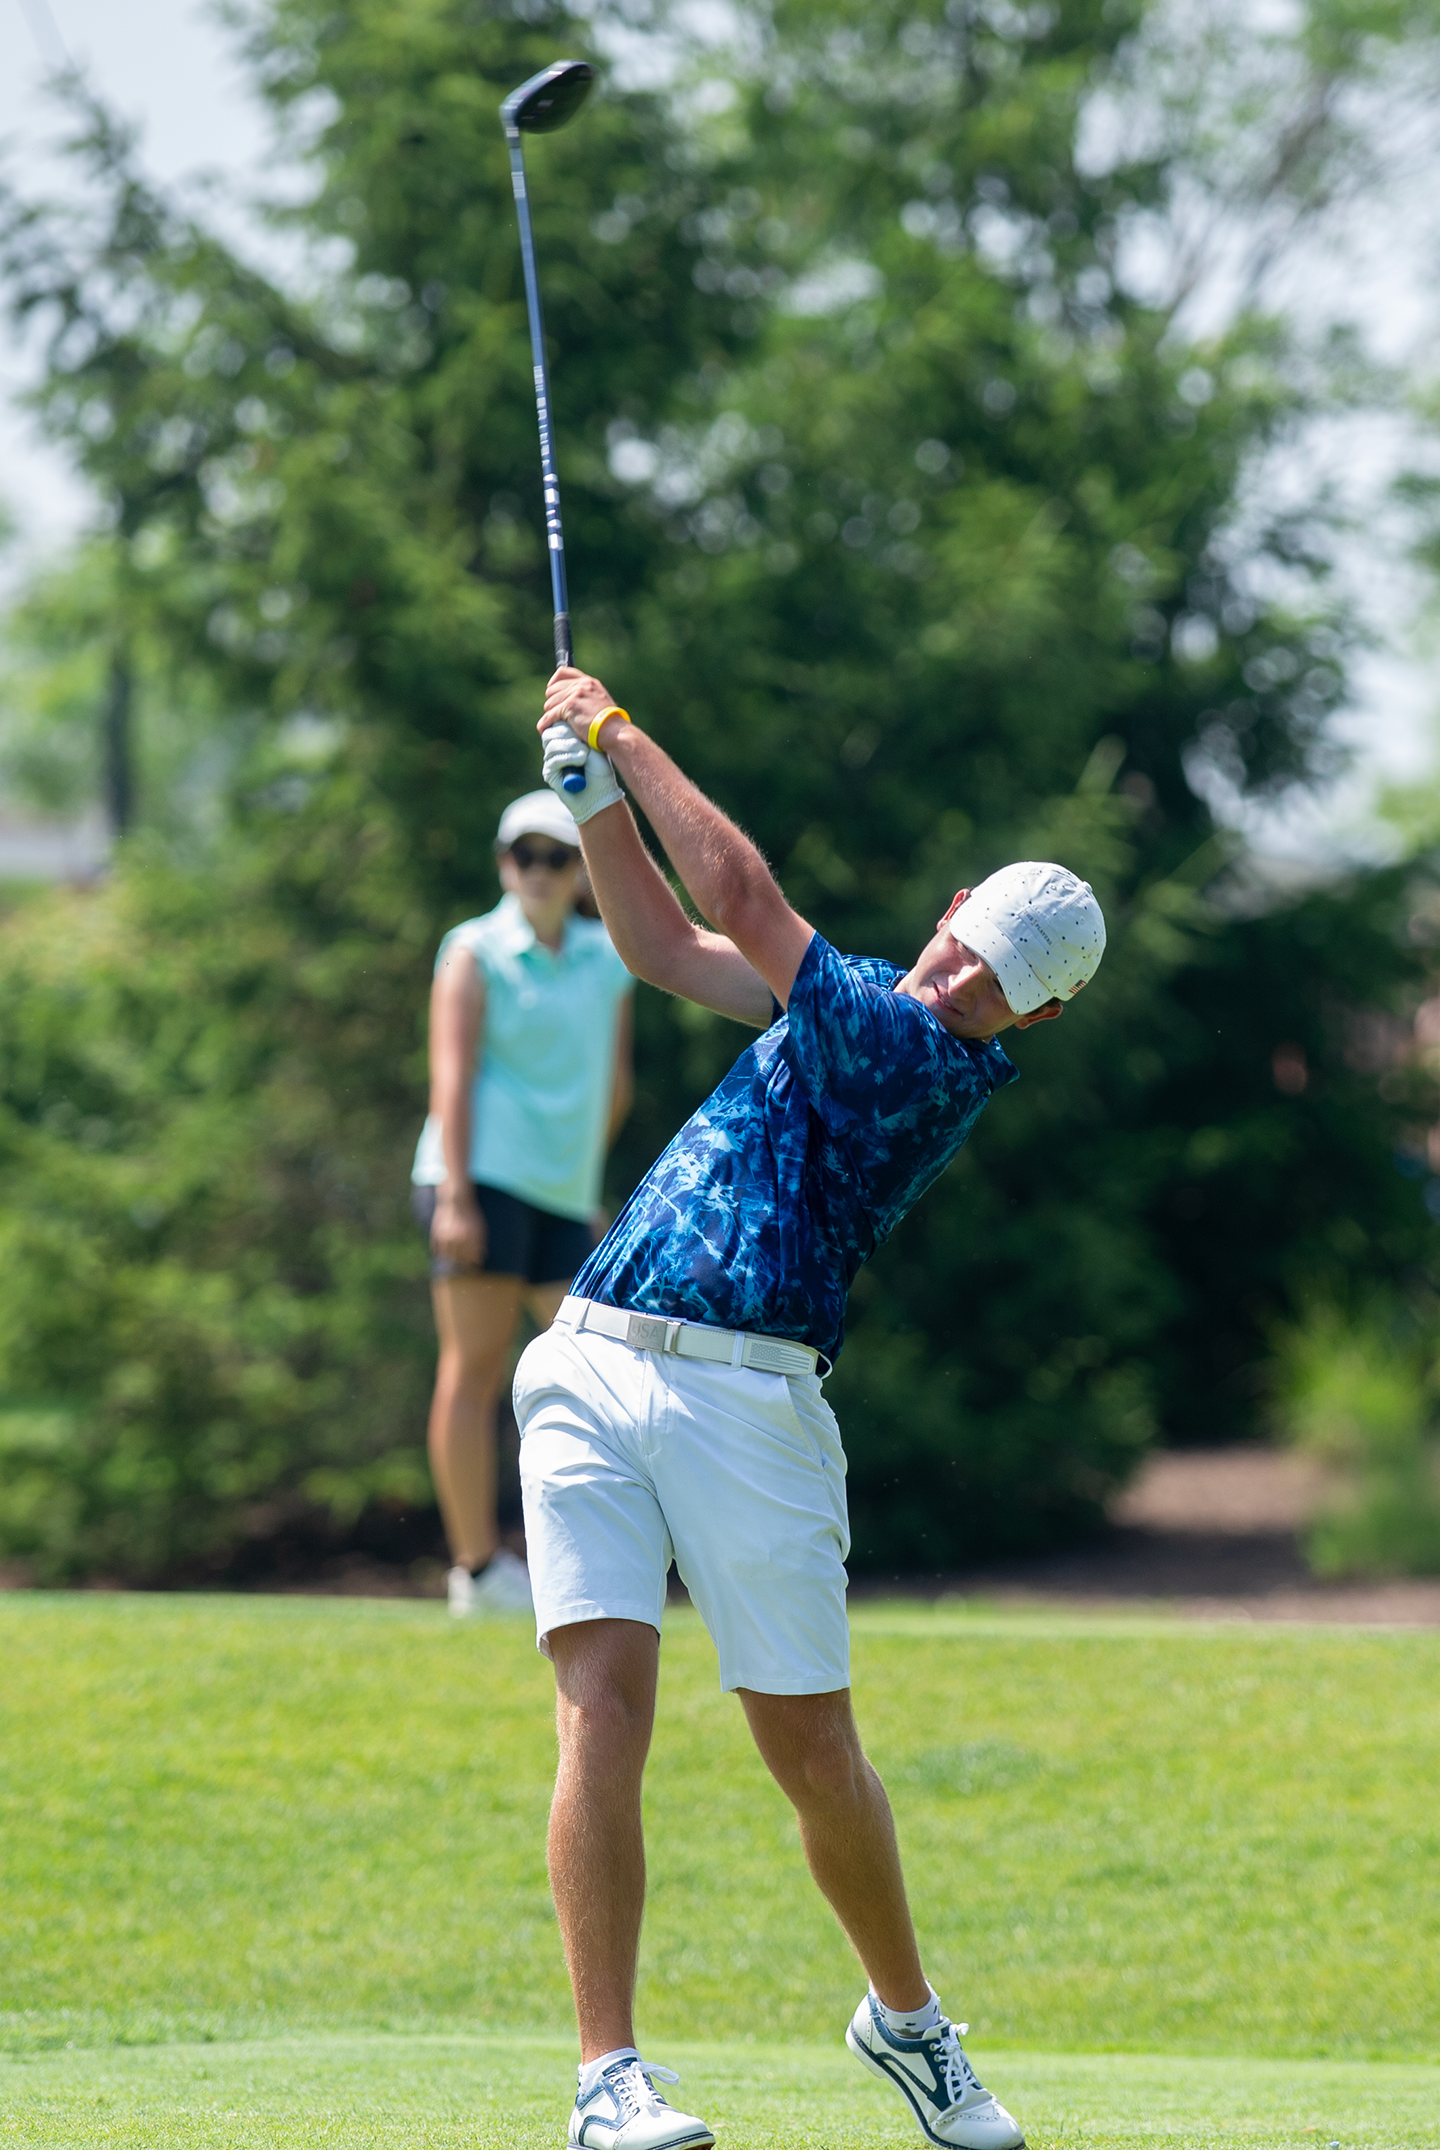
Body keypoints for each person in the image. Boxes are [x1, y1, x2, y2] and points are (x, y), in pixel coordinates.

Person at [511, 672, 1106, 2150]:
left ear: (1034, 1012)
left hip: (750, 1403)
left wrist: (627, 731)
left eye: (1003, 984)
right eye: (973, 948)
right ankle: (607, 2078)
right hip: (587, 1353)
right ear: (959, 908)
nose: (968, 982)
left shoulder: (917, 1060)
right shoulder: (837, 1006)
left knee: (814, 1753)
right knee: (602, 1714)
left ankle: (907, 2020)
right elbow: (658, 939)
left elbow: (744, 888)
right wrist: (587, 796)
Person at [412, 789, 635, 1617]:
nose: (537, 872)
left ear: (580, 869)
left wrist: (584, 1194)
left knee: (587, 1374)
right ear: (504, 865)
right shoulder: (472, 950)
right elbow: (452, 1076)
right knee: (473, 1371)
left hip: (561, 1195)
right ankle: (476, 1570)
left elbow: (612, 1087)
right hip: (477, 1180)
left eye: (555, 857)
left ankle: (585, 1562)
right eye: (522, 857)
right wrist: (458, 1197)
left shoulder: (609, 957)